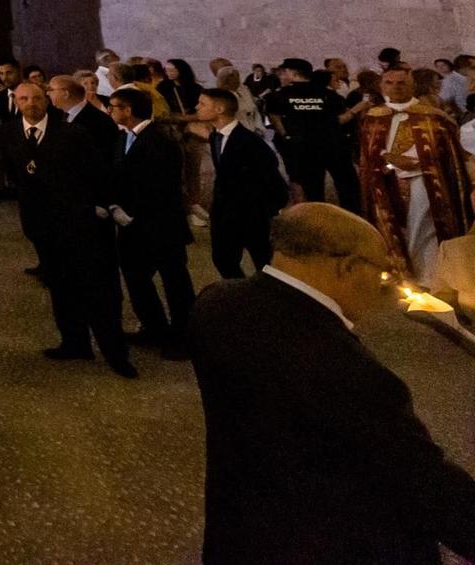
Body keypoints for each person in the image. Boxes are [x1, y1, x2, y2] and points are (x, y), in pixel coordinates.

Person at [187, 203, 475, 565]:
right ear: (348, 267)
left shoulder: (216, 304)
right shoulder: (347, 370)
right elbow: (422, 482)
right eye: (383, 272)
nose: (383, 285)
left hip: (241, 529)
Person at [0, 80, 133, 377]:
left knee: (98, 290)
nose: (30, 104)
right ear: (16, 102)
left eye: (35, 98)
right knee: (60, 285)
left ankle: (115, 353)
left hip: (80, 224)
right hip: (42, 225)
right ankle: (74, 342)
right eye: (23, 99)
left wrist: (99, 207)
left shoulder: (72, 134)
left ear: (46, 100)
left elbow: (97, 173)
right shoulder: (8, 133)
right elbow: (15, 174)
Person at [355, 64, 471, 284]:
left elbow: (449, 153)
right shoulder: (372, 118)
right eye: (389, 83)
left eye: (402, 83)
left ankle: (429, 278)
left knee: (426, 229)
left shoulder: (434, 117)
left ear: (412, 84)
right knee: (395, 227)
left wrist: (419, 161)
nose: (395, 88)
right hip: (386, 180)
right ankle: (401, 274)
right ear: (381, 86)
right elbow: (367, 152)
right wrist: (387, 157)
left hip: (427, 181)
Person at [106, 87, 195, 357]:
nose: (110, 111)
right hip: (135, 227)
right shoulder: (126, 138)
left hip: (160, 226)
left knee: (175, 283)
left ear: (128, 110)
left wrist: (130, 211)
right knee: (136, 277)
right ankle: (154, 327)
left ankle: (185, 338)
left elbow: (159, 186)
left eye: (113, 106)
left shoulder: (157, 140)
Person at [201, 87, 288, 279]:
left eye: (203, 104)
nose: (197, 108)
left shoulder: (249, 141)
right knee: (224, 260)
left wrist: (267, 210)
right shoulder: (216, 136)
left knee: (264, 262)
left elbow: (272, 179)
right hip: (226, 214)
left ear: (220, 109)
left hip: (251, 214)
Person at [264, 57, 357, 208]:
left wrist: (287, 137)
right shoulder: (328, 93)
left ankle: (318, 223)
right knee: (346, 186)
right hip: (333, 144)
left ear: (290, 72)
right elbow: (340, 117)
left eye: (283, 72)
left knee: (314, 191)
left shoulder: (278, 95)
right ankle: (353, 221)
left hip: (303, 148)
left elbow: (276, 121)